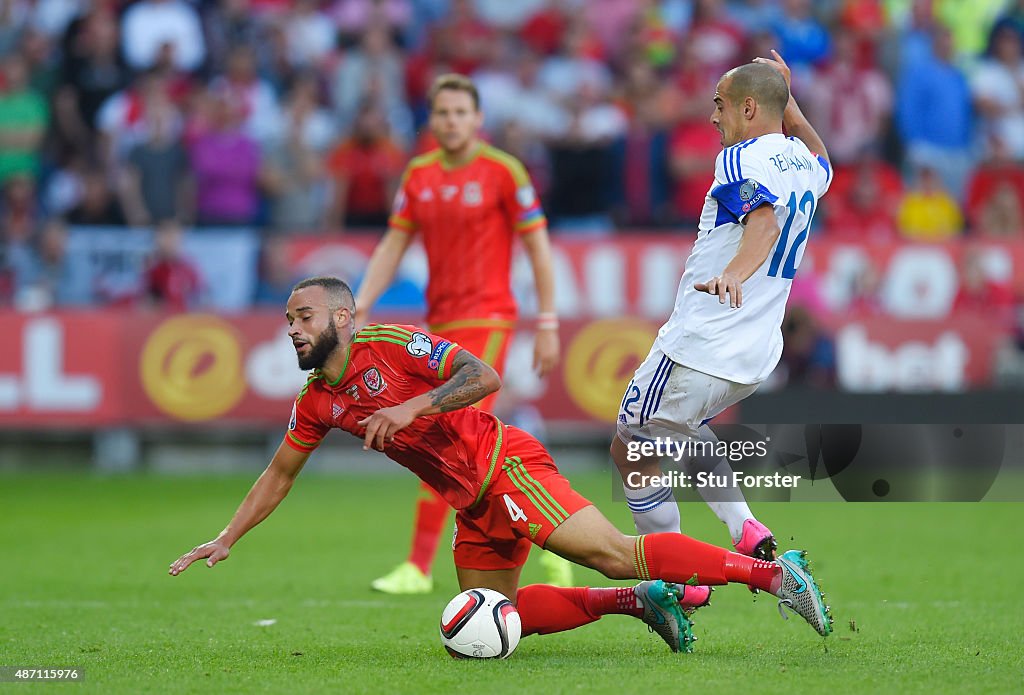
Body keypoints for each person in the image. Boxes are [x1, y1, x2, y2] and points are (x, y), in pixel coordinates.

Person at [168, 276, 833, 654]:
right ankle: (641, 602)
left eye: (304, 315)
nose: (292, 328)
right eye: (288, 319)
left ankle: (772, 575)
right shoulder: (317, 400)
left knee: (613, 549)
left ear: (342, 316)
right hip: (472, 502)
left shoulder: (392, 346)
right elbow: (278, 474)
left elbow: (482, 373)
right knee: (496, 609)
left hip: (504, 465)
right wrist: (227, 536)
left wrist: (412, 408)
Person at [610, 52, 833, 604]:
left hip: (699, 344)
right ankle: (745, 527)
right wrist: (794, 108)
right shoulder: (803, 165)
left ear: (749, 108)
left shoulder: (739, 158)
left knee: (629, 448)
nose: (713, 117)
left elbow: (763, 221)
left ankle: (674, 579)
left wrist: (733, 274)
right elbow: (825, 160)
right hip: (756, 357)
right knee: (680, 432)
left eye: (720, 104)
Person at [353, 73, 566, 594]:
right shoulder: (420, 175)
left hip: (490, 316)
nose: (451, 121)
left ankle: (421, 566)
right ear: (432, 119)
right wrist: (359, 305)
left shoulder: (502, 171)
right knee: (463, 442)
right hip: (440, 323)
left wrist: (547, 322)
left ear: (478, 119)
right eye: (442, 113)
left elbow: (538, 248)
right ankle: (556, 543)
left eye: (460, 113)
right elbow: (392, 245)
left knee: (447, 433)